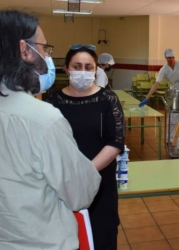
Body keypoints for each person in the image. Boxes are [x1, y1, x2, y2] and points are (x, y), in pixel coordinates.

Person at [0, 10, 101, 249]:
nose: (46, 57)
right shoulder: (44, 120)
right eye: (44, 48)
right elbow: (80, 194)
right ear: (25, 50)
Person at [47, 44, 125, 249]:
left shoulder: (107, 99)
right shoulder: (53, 101)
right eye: (77, 66)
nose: (83, 72)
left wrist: (86, 171)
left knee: (101, 234)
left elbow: (115, 141)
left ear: (96, 70)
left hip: (100, 181)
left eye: (88, 67)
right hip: (62, 184)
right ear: (67, 69)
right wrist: (69, 175)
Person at [139, 48, 179, 143]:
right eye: (169, 58)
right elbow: (156, 84)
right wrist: (147, 97)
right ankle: (169, 139)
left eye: (172, 57)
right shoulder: (164, 69)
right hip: (174, 93)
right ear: (166, 58)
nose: (171, 60)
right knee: (172, 116)